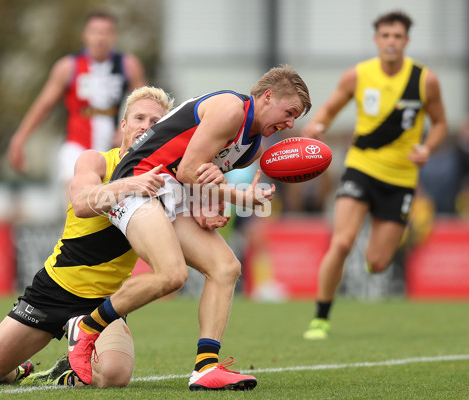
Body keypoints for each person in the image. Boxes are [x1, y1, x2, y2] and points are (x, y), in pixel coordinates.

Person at [66, 65, 312, 391]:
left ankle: (205, 367)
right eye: (290, 111)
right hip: (137, 182)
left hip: (171, 194)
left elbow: (198, 179)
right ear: (268, 97)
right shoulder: (230, 109)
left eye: (296, 117)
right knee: (172, 275)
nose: (291, 123)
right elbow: (187, 169)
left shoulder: (251, 147)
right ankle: (88, 327)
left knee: (226, 267)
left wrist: (207, 208)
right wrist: (240, 197)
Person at [0, 86, 212, 388]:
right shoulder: (96, 161)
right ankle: (19, 370)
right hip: (55, 288)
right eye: (139, 118)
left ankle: (66, 369)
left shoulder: (168, 182)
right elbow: (83, 204)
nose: (146, 126)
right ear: (123, 126)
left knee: (113, 377)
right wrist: (133, 184)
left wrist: (213, 202)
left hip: (104, 302)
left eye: (155, 122)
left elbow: (197, 211)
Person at [300, 11, 447, 340]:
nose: (391, 42)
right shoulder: (358, 75)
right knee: (341, 242)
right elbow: (330, 107)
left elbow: (440, 124)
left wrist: (428, 148)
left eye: (397, 36)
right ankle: (320, 318)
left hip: (401, 179)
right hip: (361, 169)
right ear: (376, 39)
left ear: (406, 41)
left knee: (378, 262)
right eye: (386, 35)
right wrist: (319, 124)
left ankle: (373, 264)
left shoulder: (425, 80)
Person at [7, 11, 146, 195]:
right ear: (85, 35)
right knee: (76, 202)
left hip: (113, 151)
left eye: (106, 32)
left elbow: (146, 105)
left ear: (114, 36)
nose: (100, 38)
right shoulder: (68, 66)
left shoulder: (128, 65)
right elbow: (43, 105)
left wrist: (126, 130)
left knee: (109, 212)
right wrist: (19, 139)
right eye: (95, 31)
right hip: (76, 146)